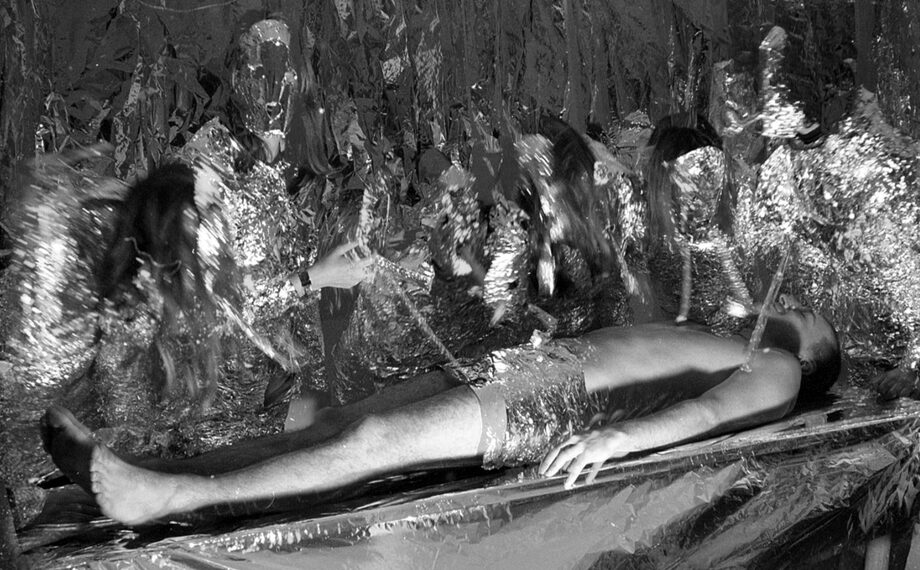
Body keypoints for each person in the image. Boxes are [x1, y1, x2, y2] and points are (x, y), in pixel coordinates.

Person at [41, 293, 840, 525]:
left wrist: (621, 439)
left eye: (817, 320)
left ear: (815, 357)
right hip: (536, 373)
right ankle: (145, 474)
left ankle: (169, 496)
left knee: (373, 438)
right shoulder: (728, 335)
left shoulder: (780, 370)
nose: (805, 307)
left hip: (559, 402)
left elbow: (708, 416)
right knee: (339, 427)